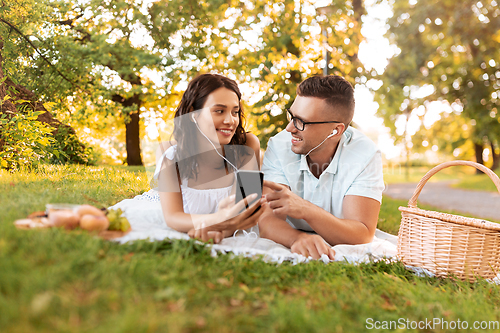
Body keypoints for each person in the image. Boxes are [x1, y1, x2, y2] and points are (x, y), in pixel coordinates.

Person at [259, 75, 385, 259]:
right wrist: (296, 239)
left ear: (336, 131)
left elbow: (362, 234)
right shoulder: (279, 146)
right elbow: (266, 219)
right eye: (291, 116)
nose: (289, 128)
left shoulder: (365, 154)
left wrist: (305, 209)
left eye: (301, 122)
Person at [153, 73, 263, 243]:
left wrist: (219, 230)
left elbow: (246, 210)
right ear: (193, 114)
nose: (230, 121)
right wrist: (215, 223)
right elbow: (173, 217)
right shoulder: (170, 155)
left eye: (235, 112)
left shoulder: (248, 146)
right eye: (219, 111)